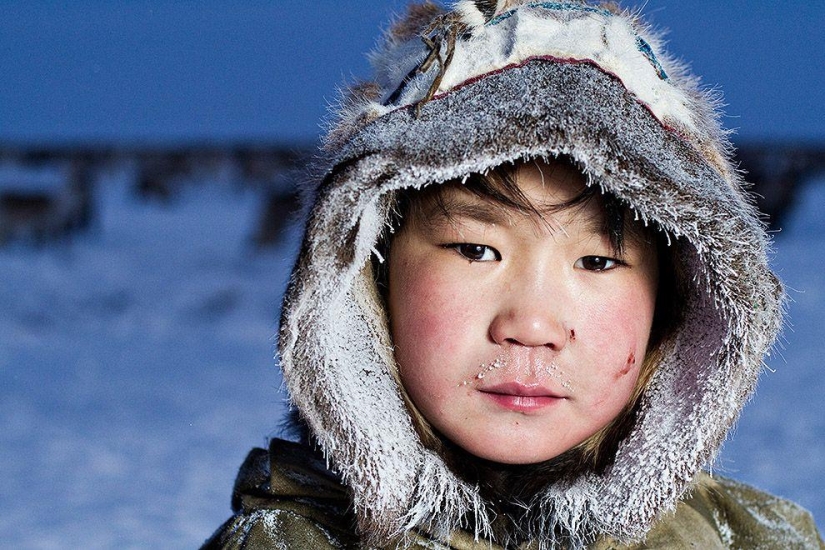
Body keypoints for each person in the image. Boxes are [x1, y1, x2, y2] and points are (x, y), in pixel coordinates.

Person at [203, 1, 824, 548]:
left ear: (677, 305)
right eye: (476, 251)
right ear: (372, 277)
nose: (530, 324)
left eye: (597, 260)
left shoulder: (753, 538)